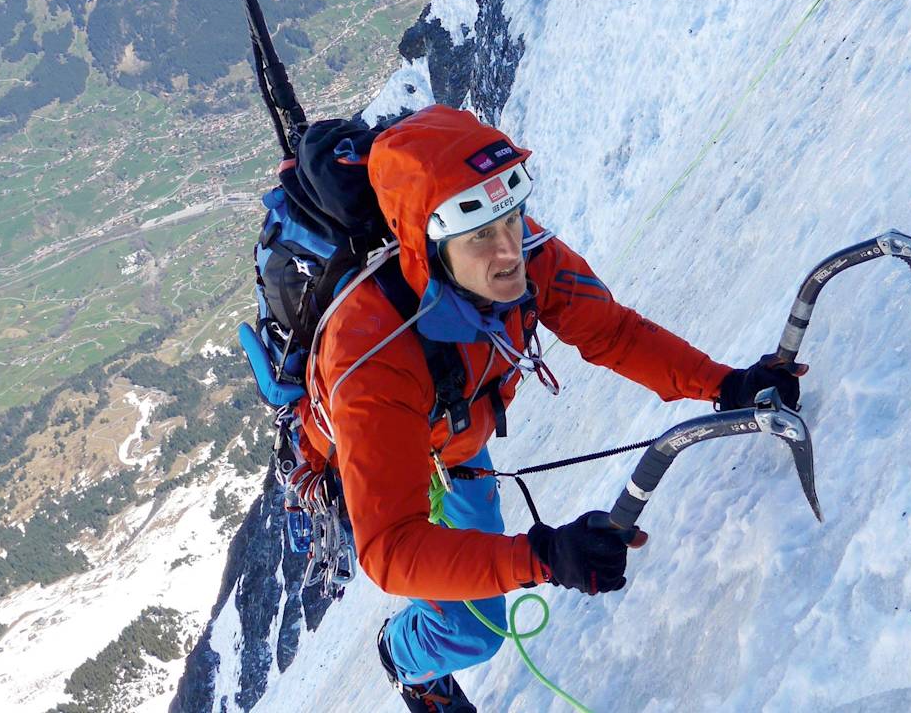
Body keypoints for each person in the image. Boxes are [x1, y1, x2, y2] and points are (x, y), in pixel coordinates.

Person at [306, 105, 804, 712]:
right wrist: (540, 558)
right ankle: (404, 658)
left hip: (457, 438)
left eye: (510, 218)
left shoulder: (522, 252)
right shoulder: (371, 352)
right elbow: (390, 550)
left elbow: (612, 332)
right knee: (473, 631)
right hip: (395, 454)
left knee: (474, 618)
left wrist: (726, 384)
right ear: (429, 245)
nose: (509, 251)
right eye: (482, 235)